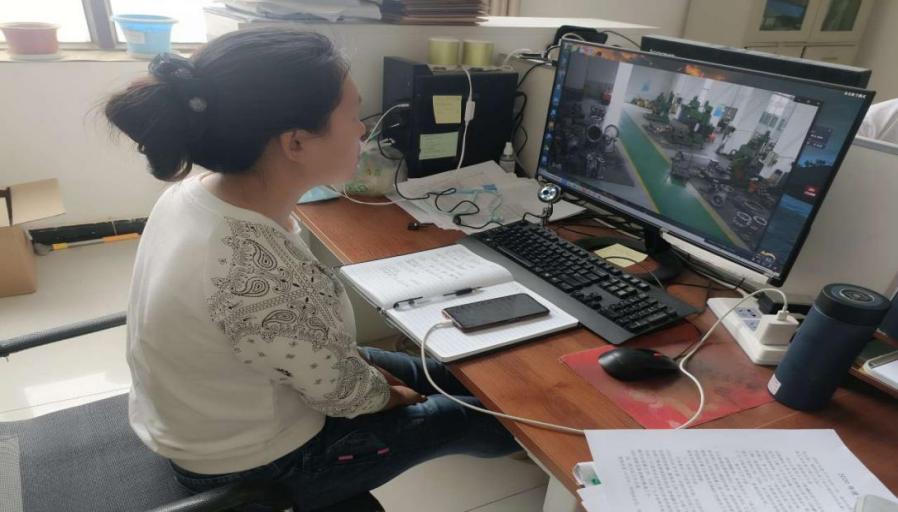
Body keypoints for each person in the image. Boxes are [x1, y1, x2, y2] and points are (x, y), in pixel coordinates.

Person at [105, 27, 519, 510]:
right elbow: (346, 396)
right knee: (476, 420)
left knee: (440, 373)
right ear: (296, 142)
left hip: (208, 407)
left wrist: (378, 379)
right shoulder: (249, 268)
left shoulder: (196, 196)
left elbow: (308, 344)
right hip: (253, 461)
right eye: (352, 114)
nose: (363, 130)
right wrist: (392, 399)